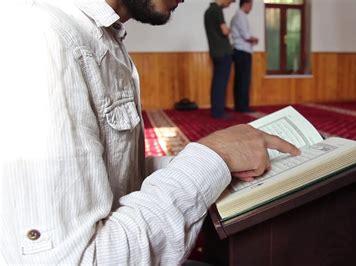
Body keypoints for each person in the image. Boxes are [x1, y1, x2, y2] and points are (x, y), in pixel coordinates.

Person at [0, 0, 300, 265]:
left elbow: (116, 175)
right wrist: (214, 156)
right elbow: (76, 260)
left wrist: (218, 165)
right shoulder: (41, 35)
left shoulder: (100, 34)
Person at [204, 0, 235, 119]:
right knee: (221, 83)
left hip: (216, 52)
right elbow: (224, 30)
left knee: (217, 82)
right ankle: (218, 112)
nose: (229, 4)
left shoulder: (208, 11)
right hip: (223, 53)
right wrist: (231, 29)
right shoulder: (217, 10)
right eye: (230, 1)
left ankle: (216, 110)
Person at [231, 0, 258, 113]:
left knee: (240, 80)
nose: (251, 9)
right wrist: (254, 39)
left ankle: (240, 106)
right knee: (243, 80)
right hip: (242, 51)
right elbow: (246, 35)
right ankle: (243, 107)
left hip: (239, 51)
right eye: (250, 6)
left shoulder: (237, 16)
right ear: (245, 4)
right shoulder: (240, 16)